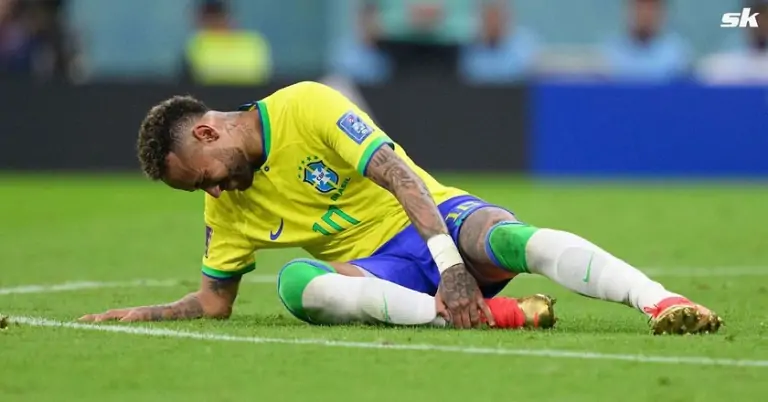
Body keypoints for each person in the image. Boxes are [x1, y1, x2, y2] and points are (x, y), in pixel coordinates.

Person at [79, 81, 722, 335]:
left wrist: (451, 266)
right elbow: (215, 301)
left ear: (207, 133)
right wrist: (145, 313)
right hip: (384, 272)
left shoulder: (306, 105)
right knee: (297, 284)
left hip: (436, 221)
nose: (214, 195)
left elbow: (397, 174)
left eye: (205, 179)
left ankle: (662, 302)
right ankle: (494, 318)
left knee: (507, 238)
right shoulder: (228, 209)